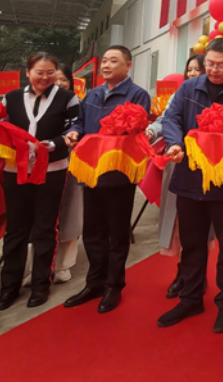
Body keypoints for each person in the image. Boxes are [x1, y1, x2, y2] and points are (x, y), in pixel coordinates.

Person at [158, 38, 223, 333]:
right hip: (189, 177)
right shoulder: (189, 88)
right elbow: (172, 118)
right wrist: (175, 144)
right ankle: (191, 298)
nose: (214, 70)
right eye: (209, 64)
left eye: (221, 65)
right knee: (191, 244)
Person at [63, 46, 151, 314]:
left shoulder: (138, 95)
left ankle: (114, 285)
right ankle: (95, 282)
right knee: (92, 231)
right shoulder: (93, 93)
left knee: (117, 232)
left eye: (114, 61)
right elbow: (78, 121)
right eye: (104, 61)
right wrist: (75, 132)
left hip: (119, 174)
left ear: (128, 65)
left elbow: (136, 132)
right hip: (91, 171)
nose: (106, 65)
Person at [0, 53, 80, 311]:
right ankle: (9, 287)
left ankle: (41, 284)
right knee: (16, 229)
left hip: (52, 169)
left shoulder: (67, 98)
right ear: (27, 72)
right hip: (15, 170)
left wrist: (55, 143)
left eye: (50, 72)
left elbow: (75, 127)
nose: (45, 77)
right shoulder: (11, 98)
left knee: (45, 227)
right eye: (40, 72)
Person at [149, 54, 204, 299]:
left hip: (205, 167)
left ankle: (195, 275)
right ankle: (182, 272)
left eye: (197, 69)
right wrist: (151, 131)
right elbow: (165, 120)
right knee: (178, 223)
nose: (192, 73)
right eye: (189, 69)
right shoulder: (179, 94)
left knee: (200, 227)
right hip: (177, 161)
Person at [52, 64, 83, 285]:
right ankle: (41, 265)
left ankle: (64, 265)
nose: (60, 83)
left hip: (71, 159)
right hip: (43, 163)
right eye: (56, 78)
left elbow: (79, 127)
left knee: (70, 211)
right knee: (44, 217)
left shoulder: (74, 102)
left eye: (64, 79)